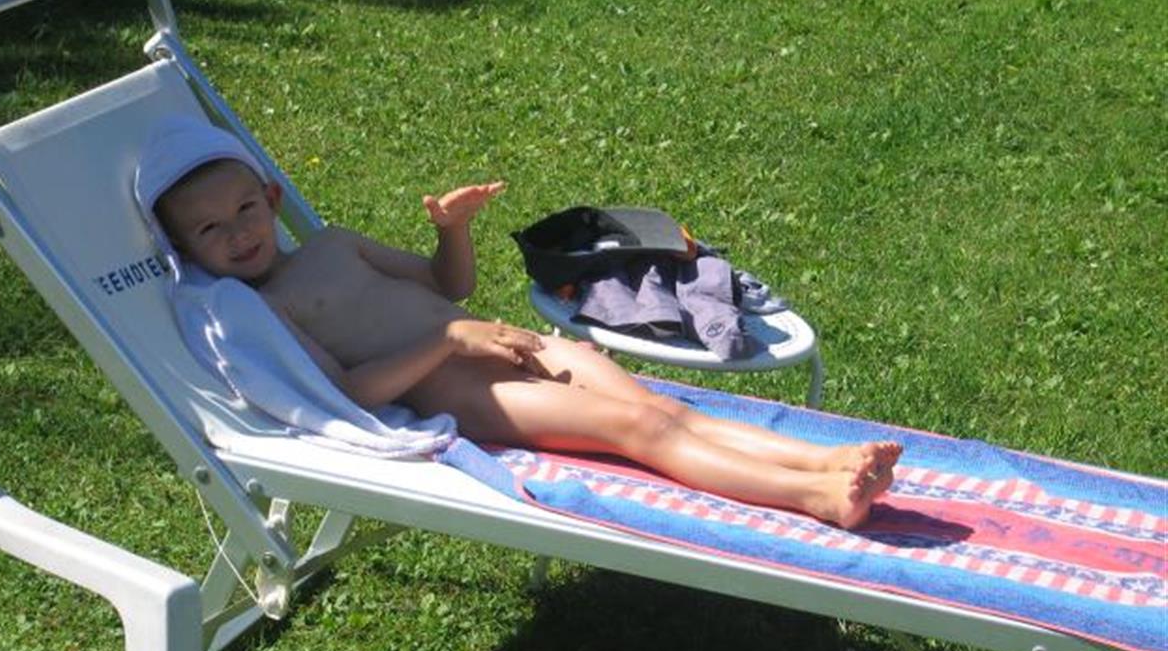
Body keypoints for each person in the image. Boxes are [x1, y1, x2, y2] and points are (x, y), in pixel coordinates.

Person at [149, 134, 900, 529]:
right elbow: (354, 390)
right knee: (637, 430)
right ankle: (814, 497)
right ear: (183, 249)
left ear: (271, 197)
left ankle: (826, 460)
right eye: (209, 230)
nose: (237, 234)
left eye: (244, 210)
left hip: (504, 343)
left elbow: (448, 286)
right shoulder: (265, 312)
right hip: (467, 387)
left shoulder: (335, 244)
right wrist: (451, 343)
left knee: (662, 409)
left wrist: (453, 232)